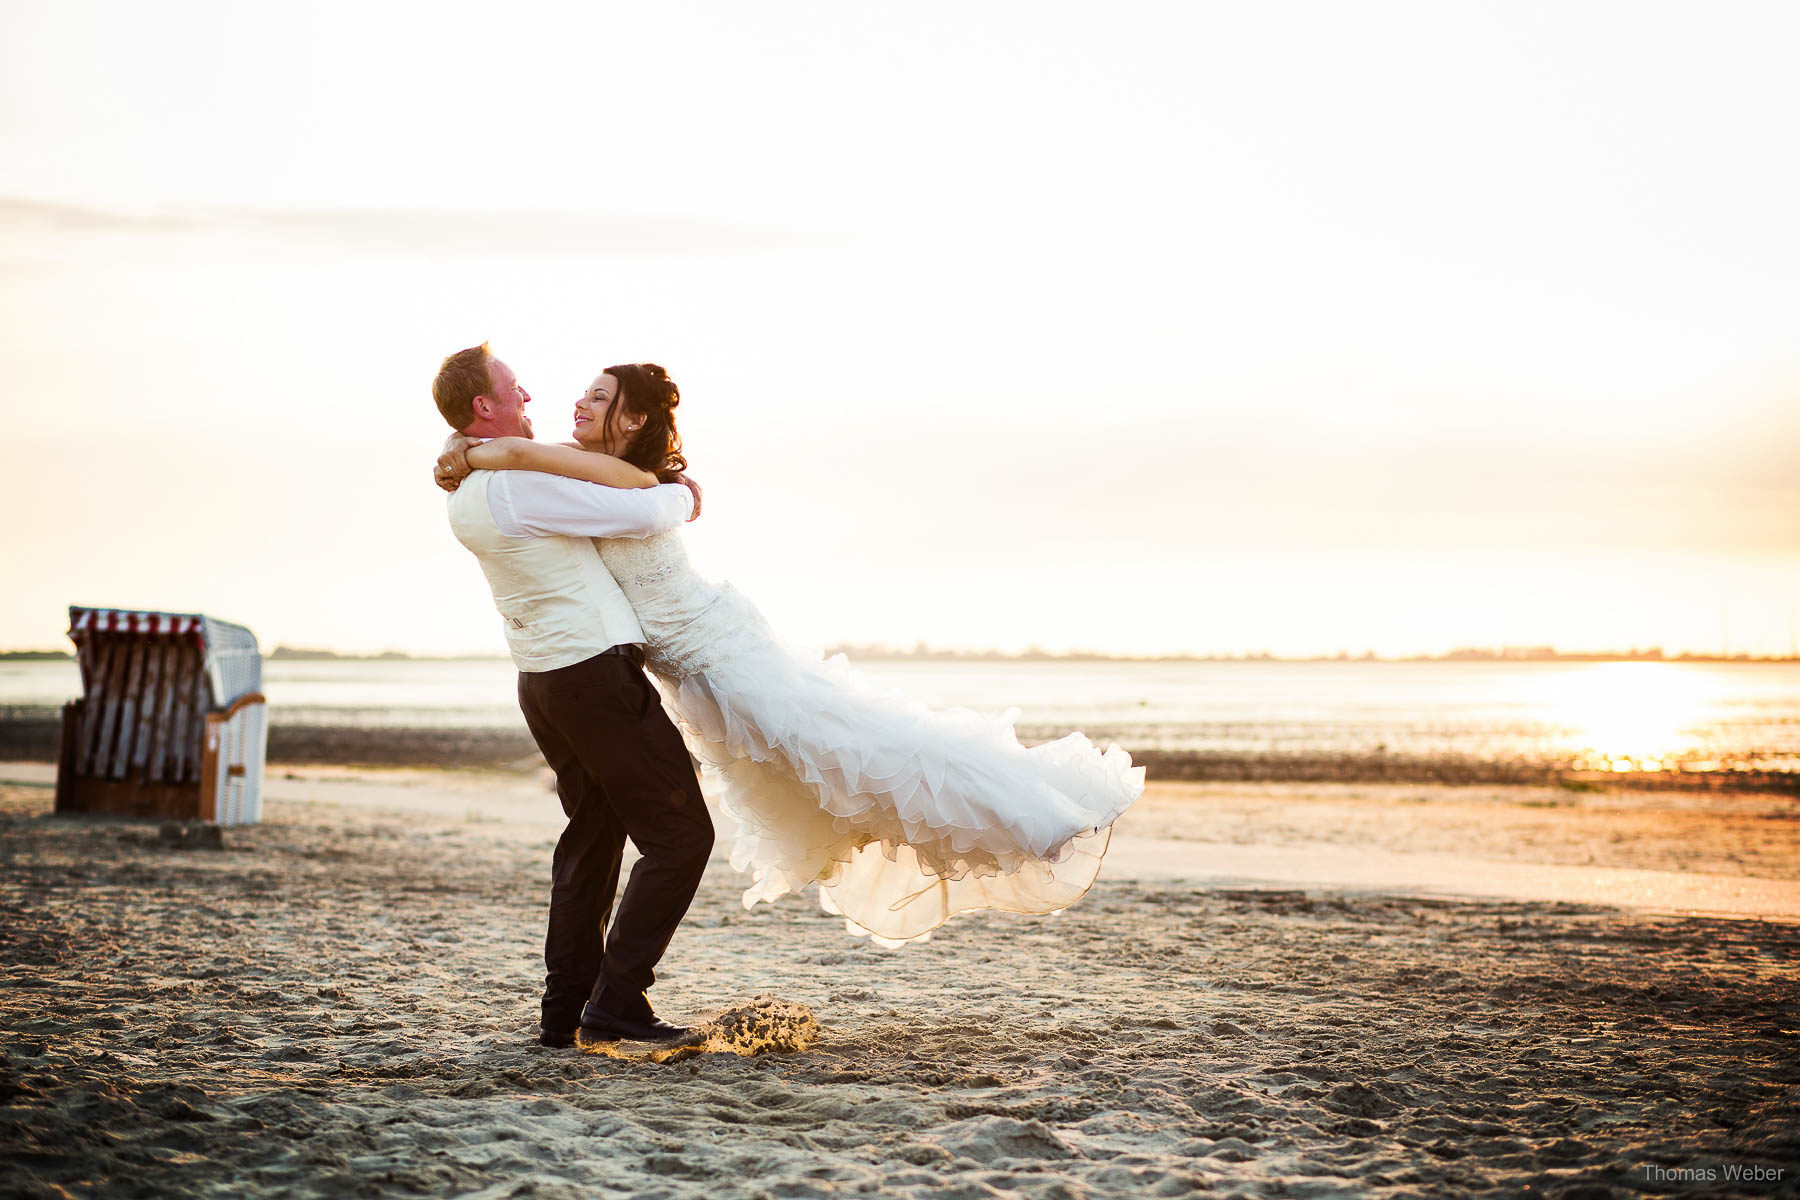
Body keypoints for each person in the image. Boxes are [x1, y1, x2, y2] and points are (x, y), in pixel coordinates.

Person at [436, 359, 1146, 949]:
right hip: (678, 666)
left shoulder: (610, 482)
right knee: (812, 775)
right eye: (582, 392)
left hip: (717, 647)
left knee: (855, 745)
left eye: (599, 396)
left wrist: (474, 451)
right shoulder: (569, 472)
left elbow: (618, 493)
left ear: (633, 420)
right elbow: (538, 462)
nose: (570, 401)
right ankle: (605, 1003)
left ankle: (1034, 818)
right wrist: (464, 449)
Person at [431, 343, 711, 1048]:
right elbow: (643, 514)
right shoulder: (515, 486)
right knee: (681, 837)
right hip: (591, 676)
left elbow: (577, 476)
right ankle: (617, 1002)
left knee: (590, 841)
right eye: (513, 389)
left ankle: (565, 1014)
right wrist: (685, 493)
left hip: (545, 681)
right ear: (482, 408)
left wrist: (461, 451)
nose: (529, 396)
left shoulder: (472, 486)